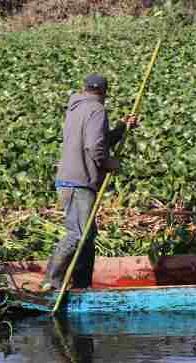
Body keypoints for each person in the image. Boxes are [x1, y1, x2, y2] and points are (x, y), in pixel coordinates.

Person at [43, 74, 137, 290]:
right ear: (104, 93)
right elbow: (95, 147)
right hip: (80, 181)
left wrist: (122, 127)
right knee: (78, 233)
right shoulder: (97, 109)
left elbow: (98, 140)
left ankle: (82, 285)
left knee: (87, 235)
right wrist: (108, 163)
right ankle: (51, 280)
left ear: (84, 88)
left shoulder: (76, 108)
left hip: (69, 180)